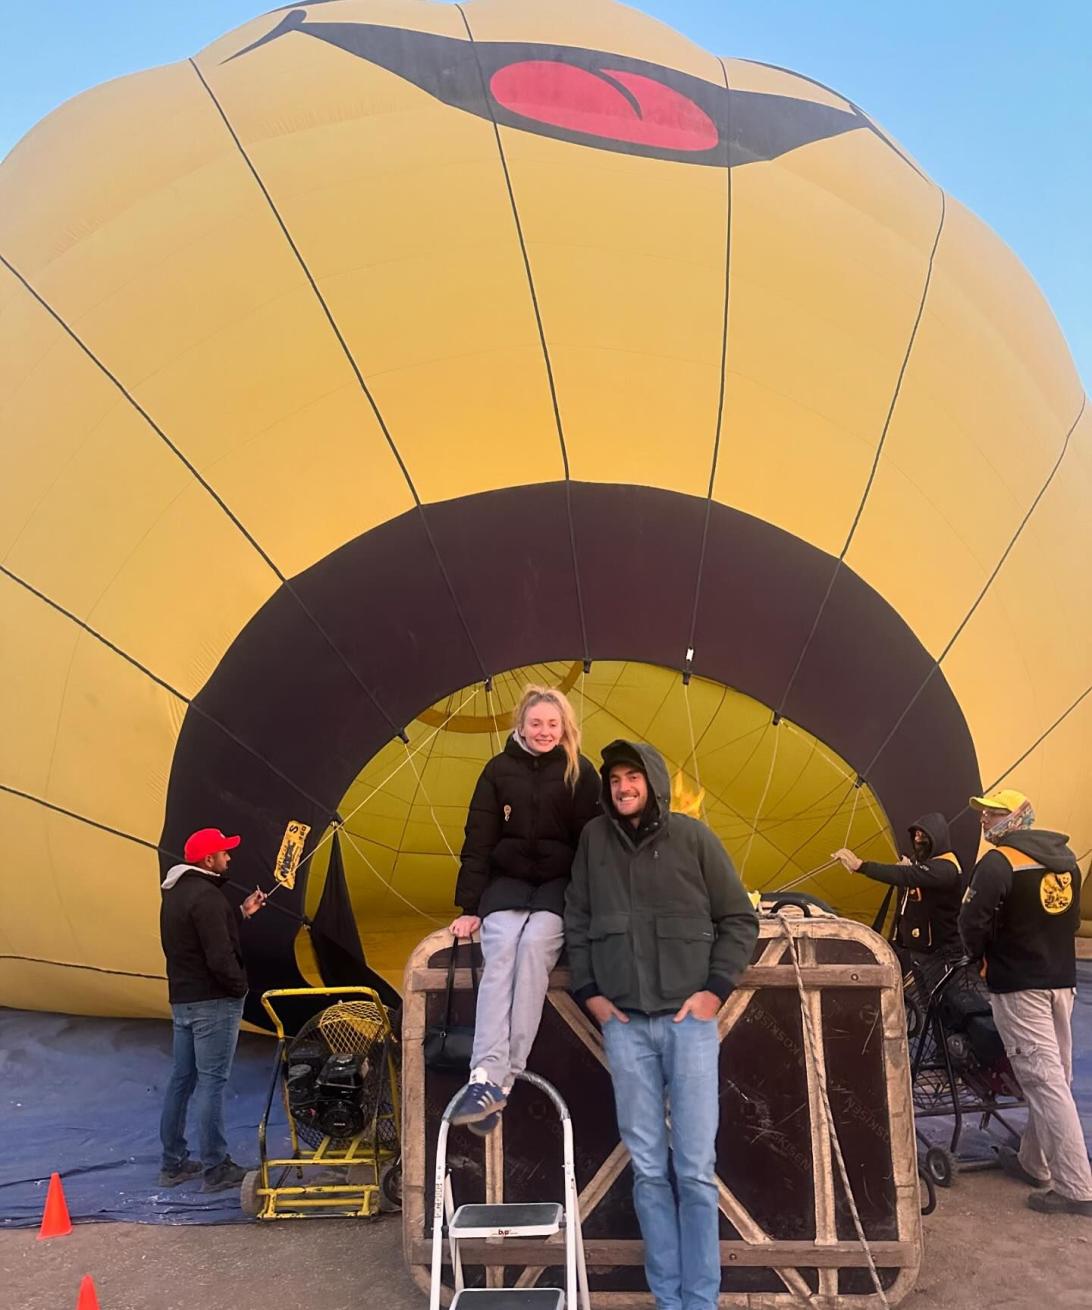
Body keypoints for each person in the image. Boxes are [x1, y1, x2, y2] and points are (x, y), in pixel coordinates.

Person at [566, 740, 759, 1310]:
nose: (623, 787)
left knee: (695, 1171)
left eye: (633, 777)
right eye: (615, 779)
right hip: (624, 1026)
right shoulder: (592, 842)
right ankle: (668, 1300)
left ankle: (701, 1302)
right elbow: (576, 920)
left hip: (688, 1025)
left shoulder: (694, 838)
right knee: (649, 1171)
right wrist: (590, 996)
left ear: (652, 781)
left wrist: (714, 991)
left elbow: (738, 918)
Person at [448, 686, 600, 1134]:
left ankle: (504, 1078)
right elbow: (479, 839)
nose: (544, 732)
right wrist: (470, 905)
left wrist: (590, 903)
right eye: (536, 723)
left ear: (565, 727)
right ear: (521, 725)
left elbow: (590, 844)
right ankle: (482, 1075)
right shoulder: (497, 771)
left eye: (553, 724)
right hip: (507, 884)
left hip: (557, 885)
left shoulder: (579, 772)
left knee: (534, 950)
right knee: (501, 954)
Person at [959, 788, 1091, 1218]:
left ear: (1014, 818)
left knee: (1044, 1081)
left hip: (1019, 986)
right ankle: (1035, 1164)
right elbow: (1069, 920)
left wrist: (978, 957)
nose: (984, 821)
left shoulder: (999, 863)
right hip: (1061, 982)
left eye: (992, 813)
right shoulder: (1066, 861)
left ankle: (1075, 1186)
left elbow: (970, 921)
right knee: (1057, 1077)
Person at [158, 827, 266, 1191]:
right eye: (224, 853)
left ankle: (172, 1163)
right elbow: (219, 955)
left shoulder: (176, 895)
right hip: (214, 1003)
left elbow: (203, 933)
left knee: (181, 1080)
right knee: (212, 1083)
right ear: (208, 860)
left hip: (183, 1001)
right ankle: (216, 1167)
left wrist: (241, 912)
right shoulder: (207, 898)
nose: (229, 858)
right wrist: (240, 989)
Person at [833, 812, 963, 963]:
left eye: (922, 836)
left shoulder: (946, 868)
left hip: (939, 953)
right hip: (919, 948)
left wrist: (861, 866)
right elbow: (915, 876)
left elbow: (907, 875)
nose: (916, 840)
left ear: (936, 838)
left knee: (939, 986)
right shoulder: (928, 867)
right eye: (916, 835)